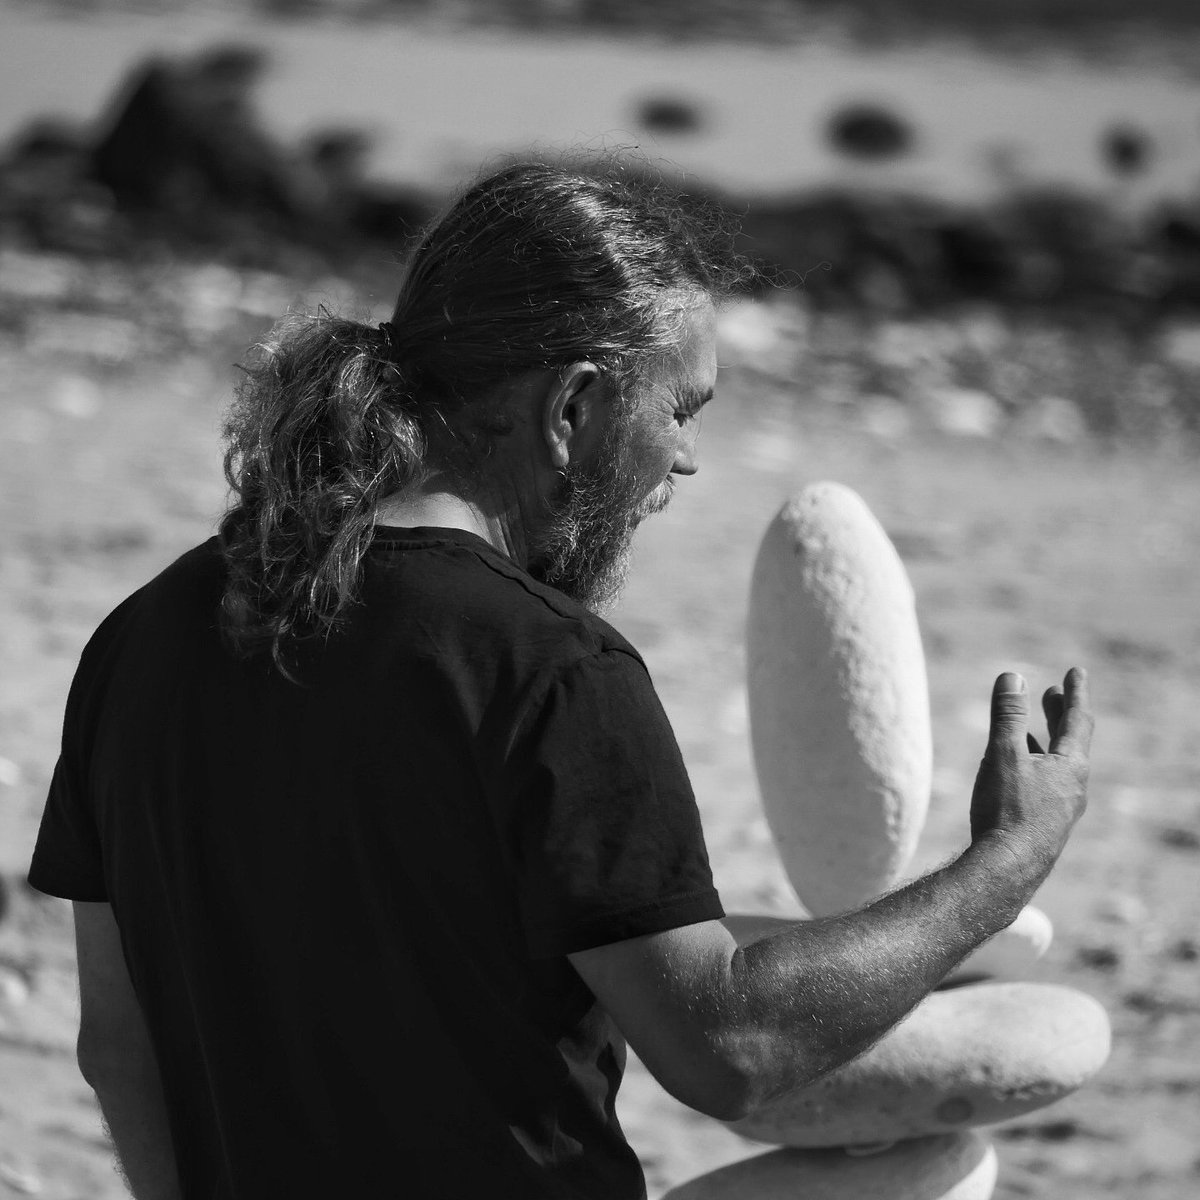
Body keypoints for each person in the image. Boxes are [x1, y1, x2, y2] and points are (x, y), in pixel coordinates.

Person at [28, 159, 1093, 1200]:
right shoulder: (551, 672)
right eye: (681, 410)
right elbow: (727, 1044)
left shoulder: (144, 638)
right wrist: (1006, 863)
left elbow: (117, 1050)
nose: (684, 462)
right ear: (573, 409)